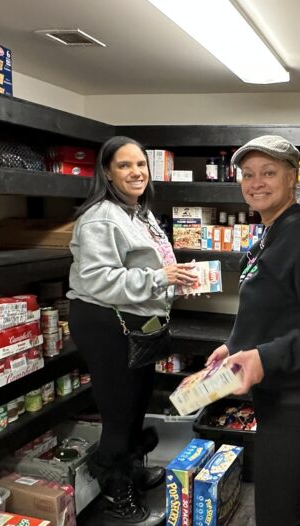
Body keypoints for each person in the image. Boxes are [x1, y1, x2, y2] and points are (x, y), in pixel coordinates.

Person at [206, 135, 300, 526]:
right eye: (248, 174)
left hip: (297, 393)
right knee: (293, 484)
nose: (256, 182)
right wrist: (234, 346)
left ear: (293, 180)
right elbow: (274, 308)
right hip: (277, 387)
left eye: (269, 173)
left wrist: (263, 357)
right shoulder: (273, 231)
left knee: (273, 506)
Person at [67, 136, 198, 524]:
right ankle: (115, 491)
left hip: (134, 320)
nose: (136, 172)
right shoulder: (100, 217)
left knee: (139, 399)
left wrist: (174, 282)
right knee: (119, 409)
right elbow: (98, 280)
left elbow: (144, 267)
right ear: (106, 172)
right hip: (106, 322)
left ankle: (131, 471)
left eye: (140, 164)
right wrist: (160, 278)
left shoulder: (138, 212)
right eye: (124, 165)